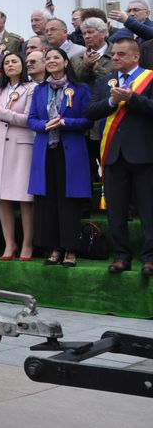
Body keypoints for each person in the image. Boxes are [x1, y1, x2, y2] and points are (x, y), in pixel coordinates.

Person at [86, 37, 153, 275]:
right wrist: (112, 101)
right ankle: (121, 256)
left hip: (144, 155)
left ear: (136, 56)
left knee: (148, 211)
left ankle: (149, 258)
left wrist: (132, 99)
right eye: (113, 54)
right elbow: (91, 111)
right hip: (113, 155)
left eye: (121, 54)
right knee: (116, 212)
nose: (114, 58)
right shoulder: (105, 81)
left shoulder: (150, 78)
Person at [27, 47, 92, 267]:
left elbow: (88, 120)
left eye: (57, 58)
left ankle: (71, 249)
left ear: (66, 62)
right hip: (46, 150)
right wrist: (45, 125)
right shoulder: (40, 90)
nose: (52, 61)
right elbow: (31, 119)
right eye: (48, 58)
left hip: (71, 151)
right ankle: (53, 247)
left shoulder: (80, 89)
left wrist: (67, 123)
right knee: (47, 201)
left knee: (69, 201)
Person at [0, 52, 37, 261]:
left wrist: (1, 112)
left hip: (21, 145)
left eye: (15, 61)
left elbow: (29, 118)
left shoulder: (31, 88)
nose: (11, 65)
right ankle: (9, 243)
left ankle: (27, 244)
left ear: (22, 65)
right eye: (7, 62)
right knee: (2, 197)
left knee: (24, 198)